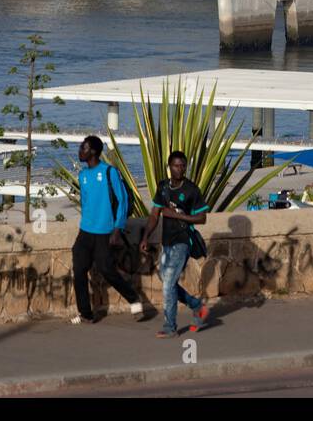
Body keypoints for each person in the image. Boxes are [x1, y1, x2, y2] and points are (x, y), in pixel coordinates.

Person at [71, 135, 143, 324]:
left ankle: (134, 299)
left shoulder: (109, 172)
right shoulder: (82, 175)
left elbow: (122, 201)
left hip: (105, 232)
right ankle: (86, 313)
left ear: (93, 151)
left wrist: (117, 228)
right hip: (85, 231)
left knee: (106, 269)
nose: (80, 151)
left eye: (83, 148)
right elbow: (85, 202)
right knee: (79, 270)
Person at [142, 150, 211, 338]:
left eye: (182, 166)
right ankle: (198, 307)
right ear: (169, 167)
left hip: (183, 241)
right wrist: (146, 236)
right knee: (167, 281)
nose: (179, 169)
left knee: (168, 284)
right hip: (167, 241)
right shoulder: (163, 187)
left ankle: (170, 326)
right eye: (176, 166)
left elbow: (202, 218)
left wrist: (177, 215)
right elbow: (155, 214)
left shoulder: (191, 190)